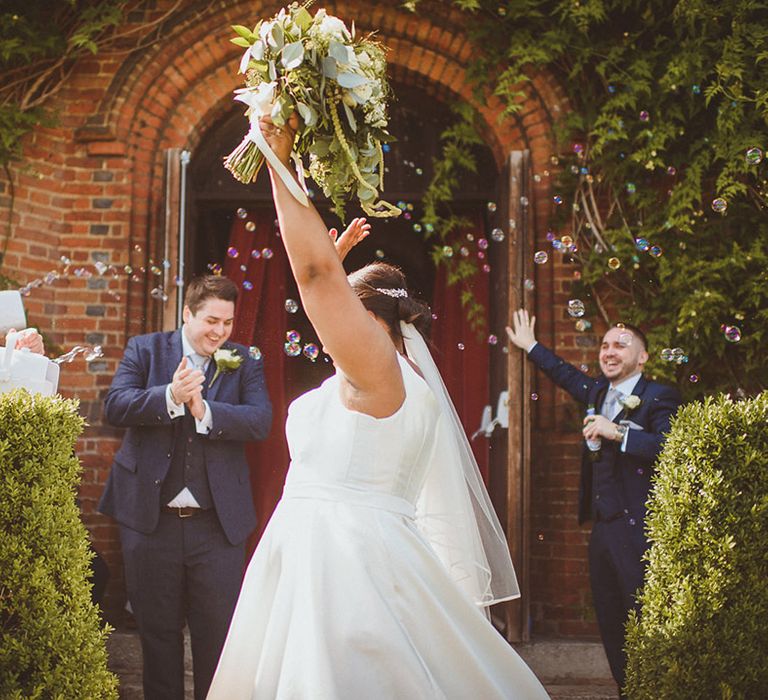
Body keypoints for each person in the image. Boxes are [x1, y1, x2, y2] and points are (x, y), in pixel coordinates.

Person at [206, 116, 549, 699]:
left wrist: (277, 156)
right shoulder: (391, 376)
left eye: (343, 303)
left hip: (341, 562)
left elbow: (314, 276)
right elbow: (322, 282)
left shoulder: (379, 371)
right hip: (338, 548)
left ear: (365, 318)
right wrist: (334, 273)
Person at [99, 275, 272, 700]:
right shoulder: (146, 349)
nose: (220, 331)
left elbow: (260, 420)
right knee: (158, 638)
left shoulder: (243, 359)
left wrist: (206, 410)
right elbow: (115, 405)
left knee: (218, 640)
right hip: (149, 522)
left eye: (228, 323)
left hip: (216, 527)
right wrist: (171, 397)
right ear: (187, 313)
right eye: (212, 320)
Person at [506, 309, 681, 696]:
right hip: (602, 527)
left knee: (641, 613)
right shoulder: (598, 393)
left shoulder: (658, 396)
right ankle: (627, 688)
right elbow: (565, 375)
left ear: (643, 357)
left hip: (639, 527)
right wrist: (530, 345)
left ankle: (653, 688)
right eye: (604, 345)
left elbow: (670, 446)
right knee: (610, 615)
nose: (609, 351)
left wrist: (617, 431)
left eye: (621, 344)